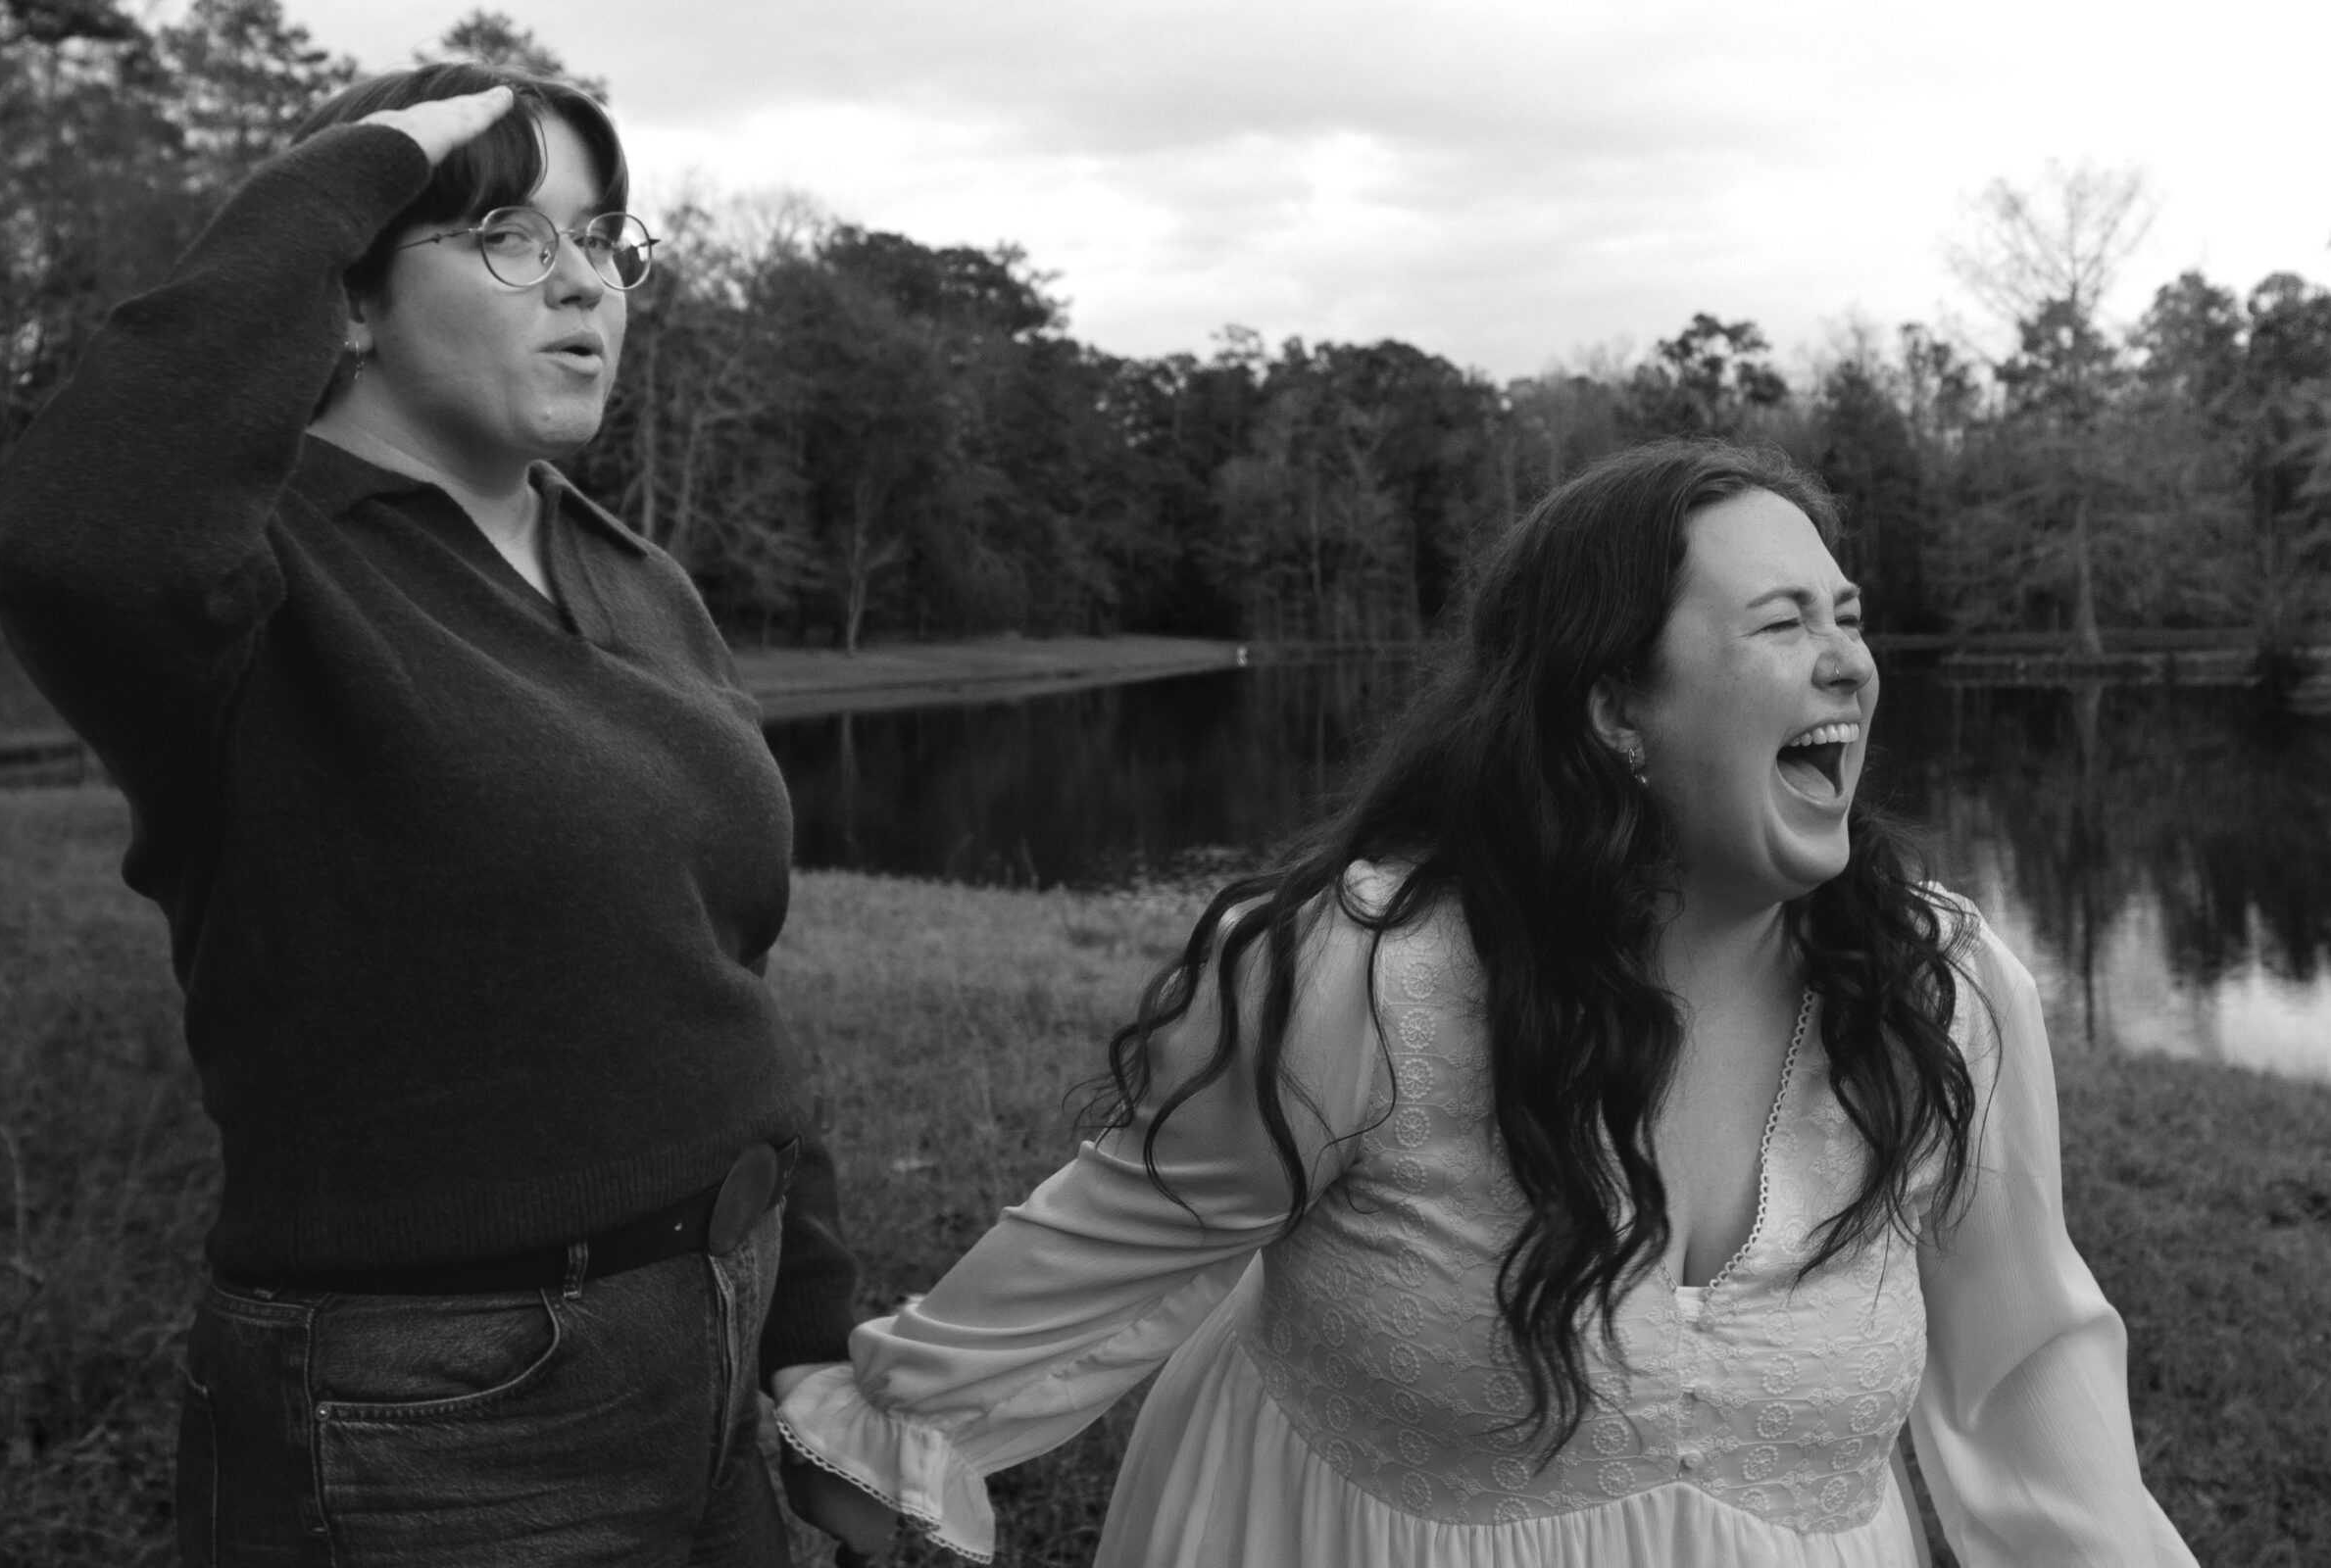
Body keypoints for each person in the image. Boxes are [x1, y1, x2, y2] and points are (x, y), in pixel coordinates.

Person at [772, 441, 2199, 1566]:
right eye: (1781, 622)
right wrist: (893, 1434)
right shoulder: (1362, 977)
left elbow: (2029, 1360)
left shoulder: (1939, 992)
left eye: (1849, 615)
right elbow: (1107, 1251)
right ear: (1613, 713)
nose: (1847, 659)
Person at [0, 65, 861, 1566]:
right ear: (346, 297)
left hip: (714, 1355)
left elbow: (721, 976)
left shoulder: (642, 580)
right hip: (434, 1425)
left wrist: (810, 1334)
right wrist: (370, 158)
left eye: (605, 239)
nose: (585, 281)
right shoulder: (249, 589)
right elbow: (75, 545)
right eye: (511, 235)